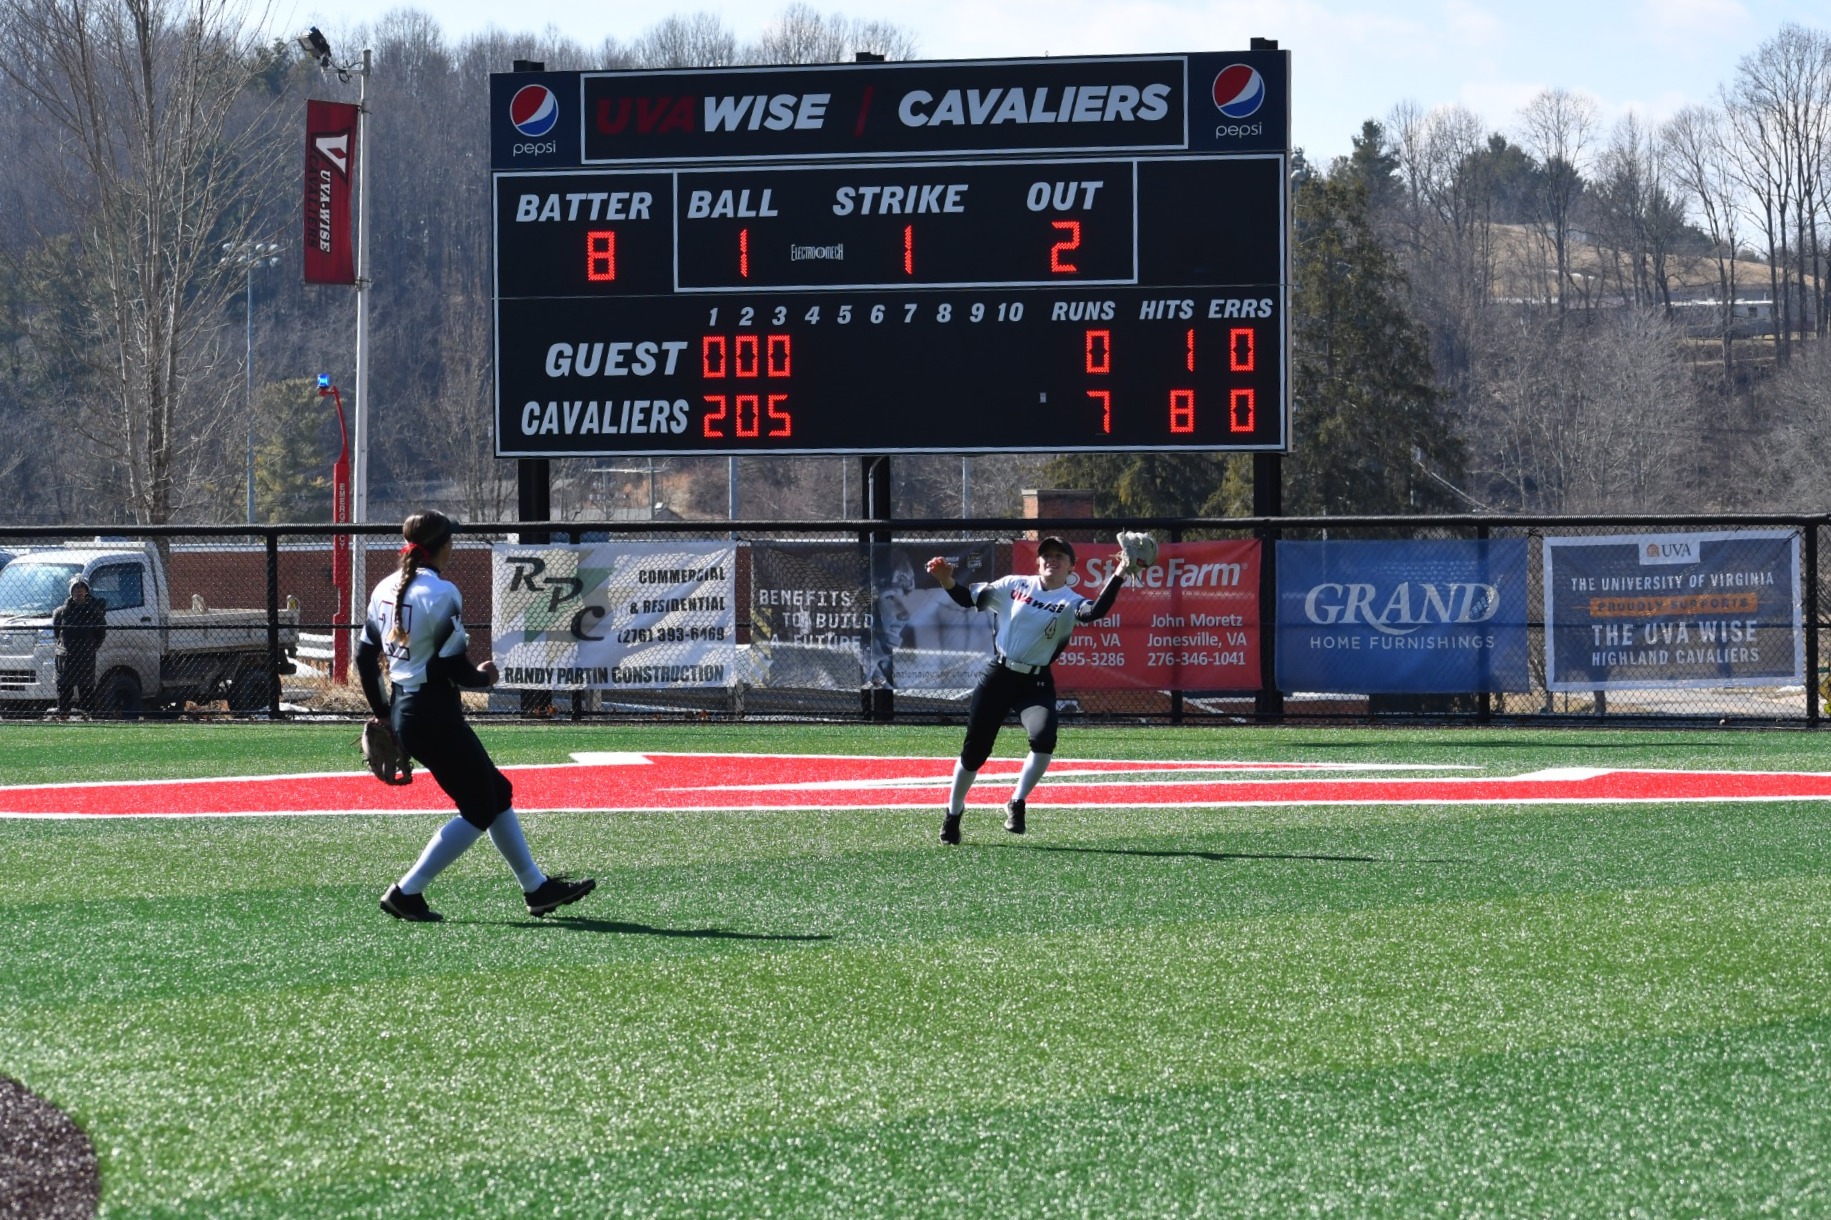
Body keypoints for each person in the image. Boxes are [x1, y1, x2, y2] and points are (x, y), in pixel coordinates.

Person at [355, 510, 595, 923]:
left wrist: (386, 715)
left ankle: (536, 888)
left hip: (409, 710)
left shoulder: (383, 588)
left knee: (496, 793)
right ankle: (406, 891)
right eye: (451, 540)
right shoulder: (443, 593)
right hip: (433, 715)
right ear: (442, 546)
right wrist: (484, 678)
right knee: (480, 807)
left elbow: (363, 658)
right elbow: (454, 669)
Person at [925, 536, 1130, 843]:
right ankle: (953, 813)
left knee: (1044, 738)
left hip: (1034, 682)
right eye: (1046, 554)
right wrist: (946, 581)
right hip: (999, 675)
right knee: (975, 753)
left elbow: (1095, 612)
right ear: (1037, 562)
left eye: (1060, 555)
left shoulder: (1070, 600)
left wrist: (1122, 572)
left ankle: (1017, 802)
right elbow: (969, 599)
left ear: (1072, 567)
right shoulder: (1014, 585)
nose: (1052, 559)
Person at [50, 576, 106, 719]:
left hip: (85, 658)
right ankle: (63, 717)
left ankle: (88, 718)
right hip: (65, 658)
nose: (79, 591)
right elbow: (57, 633)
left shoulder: (94, 612)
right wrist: (64, 648)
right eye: (76, 588)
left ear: (86, 591)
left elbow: (100, 634)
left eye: (82, 588)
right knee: (64, 691)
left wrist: (90, 648)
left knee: (86, 690)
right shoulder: (61, 612)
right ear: (71, 591)